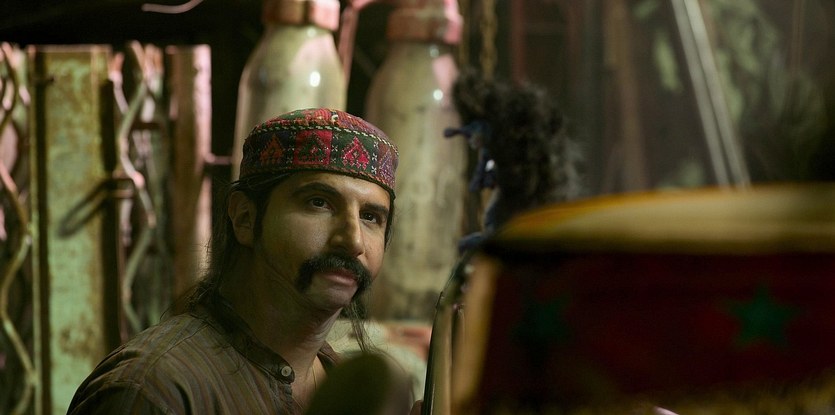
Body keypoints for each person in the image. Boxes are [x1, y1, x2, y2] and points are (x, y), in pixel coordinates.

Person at [67, 108, 405, 414]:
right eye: (318, 202)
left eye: (371, 217)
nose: (352, 241)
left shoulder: (344, 392)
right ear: (245, 217)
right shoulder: (155, 390)